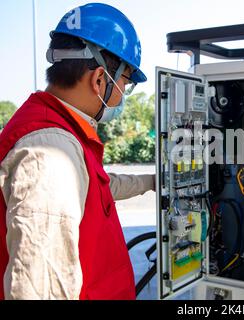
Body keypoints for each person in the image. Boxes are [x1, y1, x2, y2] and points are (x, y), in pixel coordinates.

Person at [0, 3, 154, 300]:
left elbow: (96, 187)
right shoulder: (49, 152)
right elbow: (39, 288)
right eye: (125, 82)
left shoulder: (59, 133)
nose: (123, 94)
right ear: (99, 80)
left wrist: (151, 182)